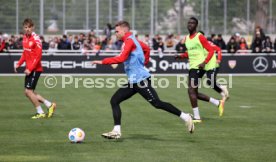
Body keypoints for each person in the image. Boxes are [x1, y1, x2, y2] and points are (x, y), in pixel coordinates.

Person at [92, 20, 194, 139]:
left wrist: (102, 61)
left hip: (141, 80)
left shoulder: (129, 41)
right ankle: (116, 131)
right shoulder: (133, 41)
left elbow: (122, 58)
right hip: (133, 81)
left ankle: (186, 117)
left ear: (125, 31)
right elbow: (146, 49)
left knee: (157, 103)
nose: (116, 33)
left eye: (117, 31)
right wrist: (143, 63)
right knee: (114, 101)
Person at [175, 17, 225, 123]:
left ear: (196, 25)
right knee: (194, 93)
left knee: (191, 91)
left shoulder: (200, 36)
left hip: (198, 67)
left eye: (192, 23)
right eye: (189, 23)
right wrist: (182, 56)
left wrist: (204, 62)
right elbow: (191, 52)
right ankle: (218, 103)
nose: (190, 24)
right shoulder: (187, 38)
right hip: (193, 66)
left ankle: (197, 117)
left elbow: (211, 50)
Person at [14, 18, 56, 119]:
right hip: (29, 69)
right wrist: (19, 64)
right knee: (28, 92)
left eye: (29, 27)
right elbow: (25, 53)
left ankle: (40, 112)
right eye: (25, 27)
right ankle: (49, 105)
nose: (27, 29)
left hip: (35, 69)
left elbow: (38, 56)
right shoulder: (24, 38)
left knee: (28, 92)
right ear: (24, 28)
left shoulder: (36, 38)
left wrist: (30, 68)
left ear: (33, 27)